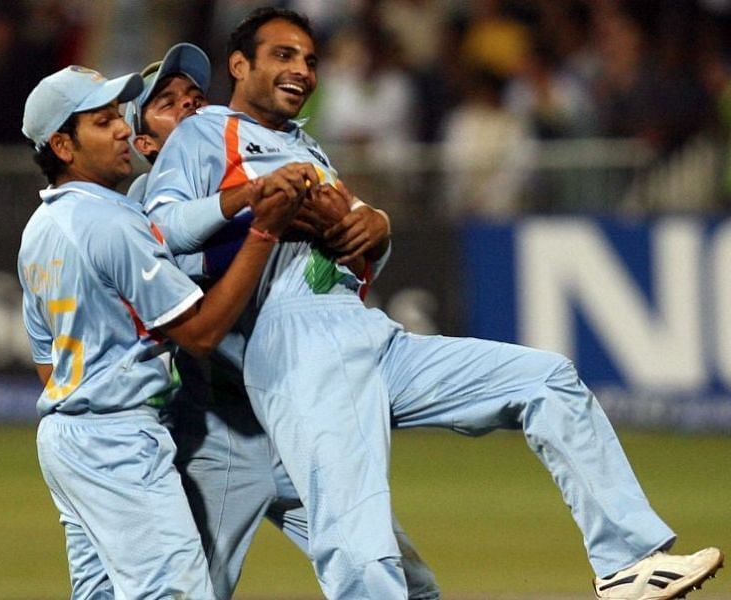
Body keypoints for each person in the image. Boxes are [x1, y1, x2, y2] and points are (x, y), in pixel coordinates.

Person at [143, 8, 724, 600]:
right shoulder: (206, 132)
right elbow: (160, 227)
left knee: (547, 380)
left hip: (365, 330)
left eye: (311, 60)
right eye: (283, 56)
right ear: (240, 66)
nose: (302, 70)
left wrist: (376, 232)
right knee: (358, 542)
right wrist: (253, 196)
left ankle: (627, 562)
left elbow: (348, 258)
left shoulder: (306, 147)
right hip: (295, 343)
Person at [127, 42, 440, 600]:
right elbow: (193, 314)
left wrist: (373, 223)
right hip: (220, 433)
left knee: (404, 584)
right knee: (188, 590)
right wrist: (267, 218)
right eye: (168, 104)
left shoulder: (253, 176)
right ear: (145, 142)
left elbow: (346, 245)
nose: (191, 109)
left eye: (196, 97)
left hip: (300, 417)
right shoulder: (144, 212)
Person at [17, 64, 305, 598]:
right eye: (103, 123)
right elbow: (198, 334)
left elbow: (45, 362)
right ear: (62, 145)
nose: (123, 129)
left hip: (67, 438)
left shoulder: (40, 229)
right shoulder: (112, 222)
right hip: (118, 438)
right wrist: (264, 231)